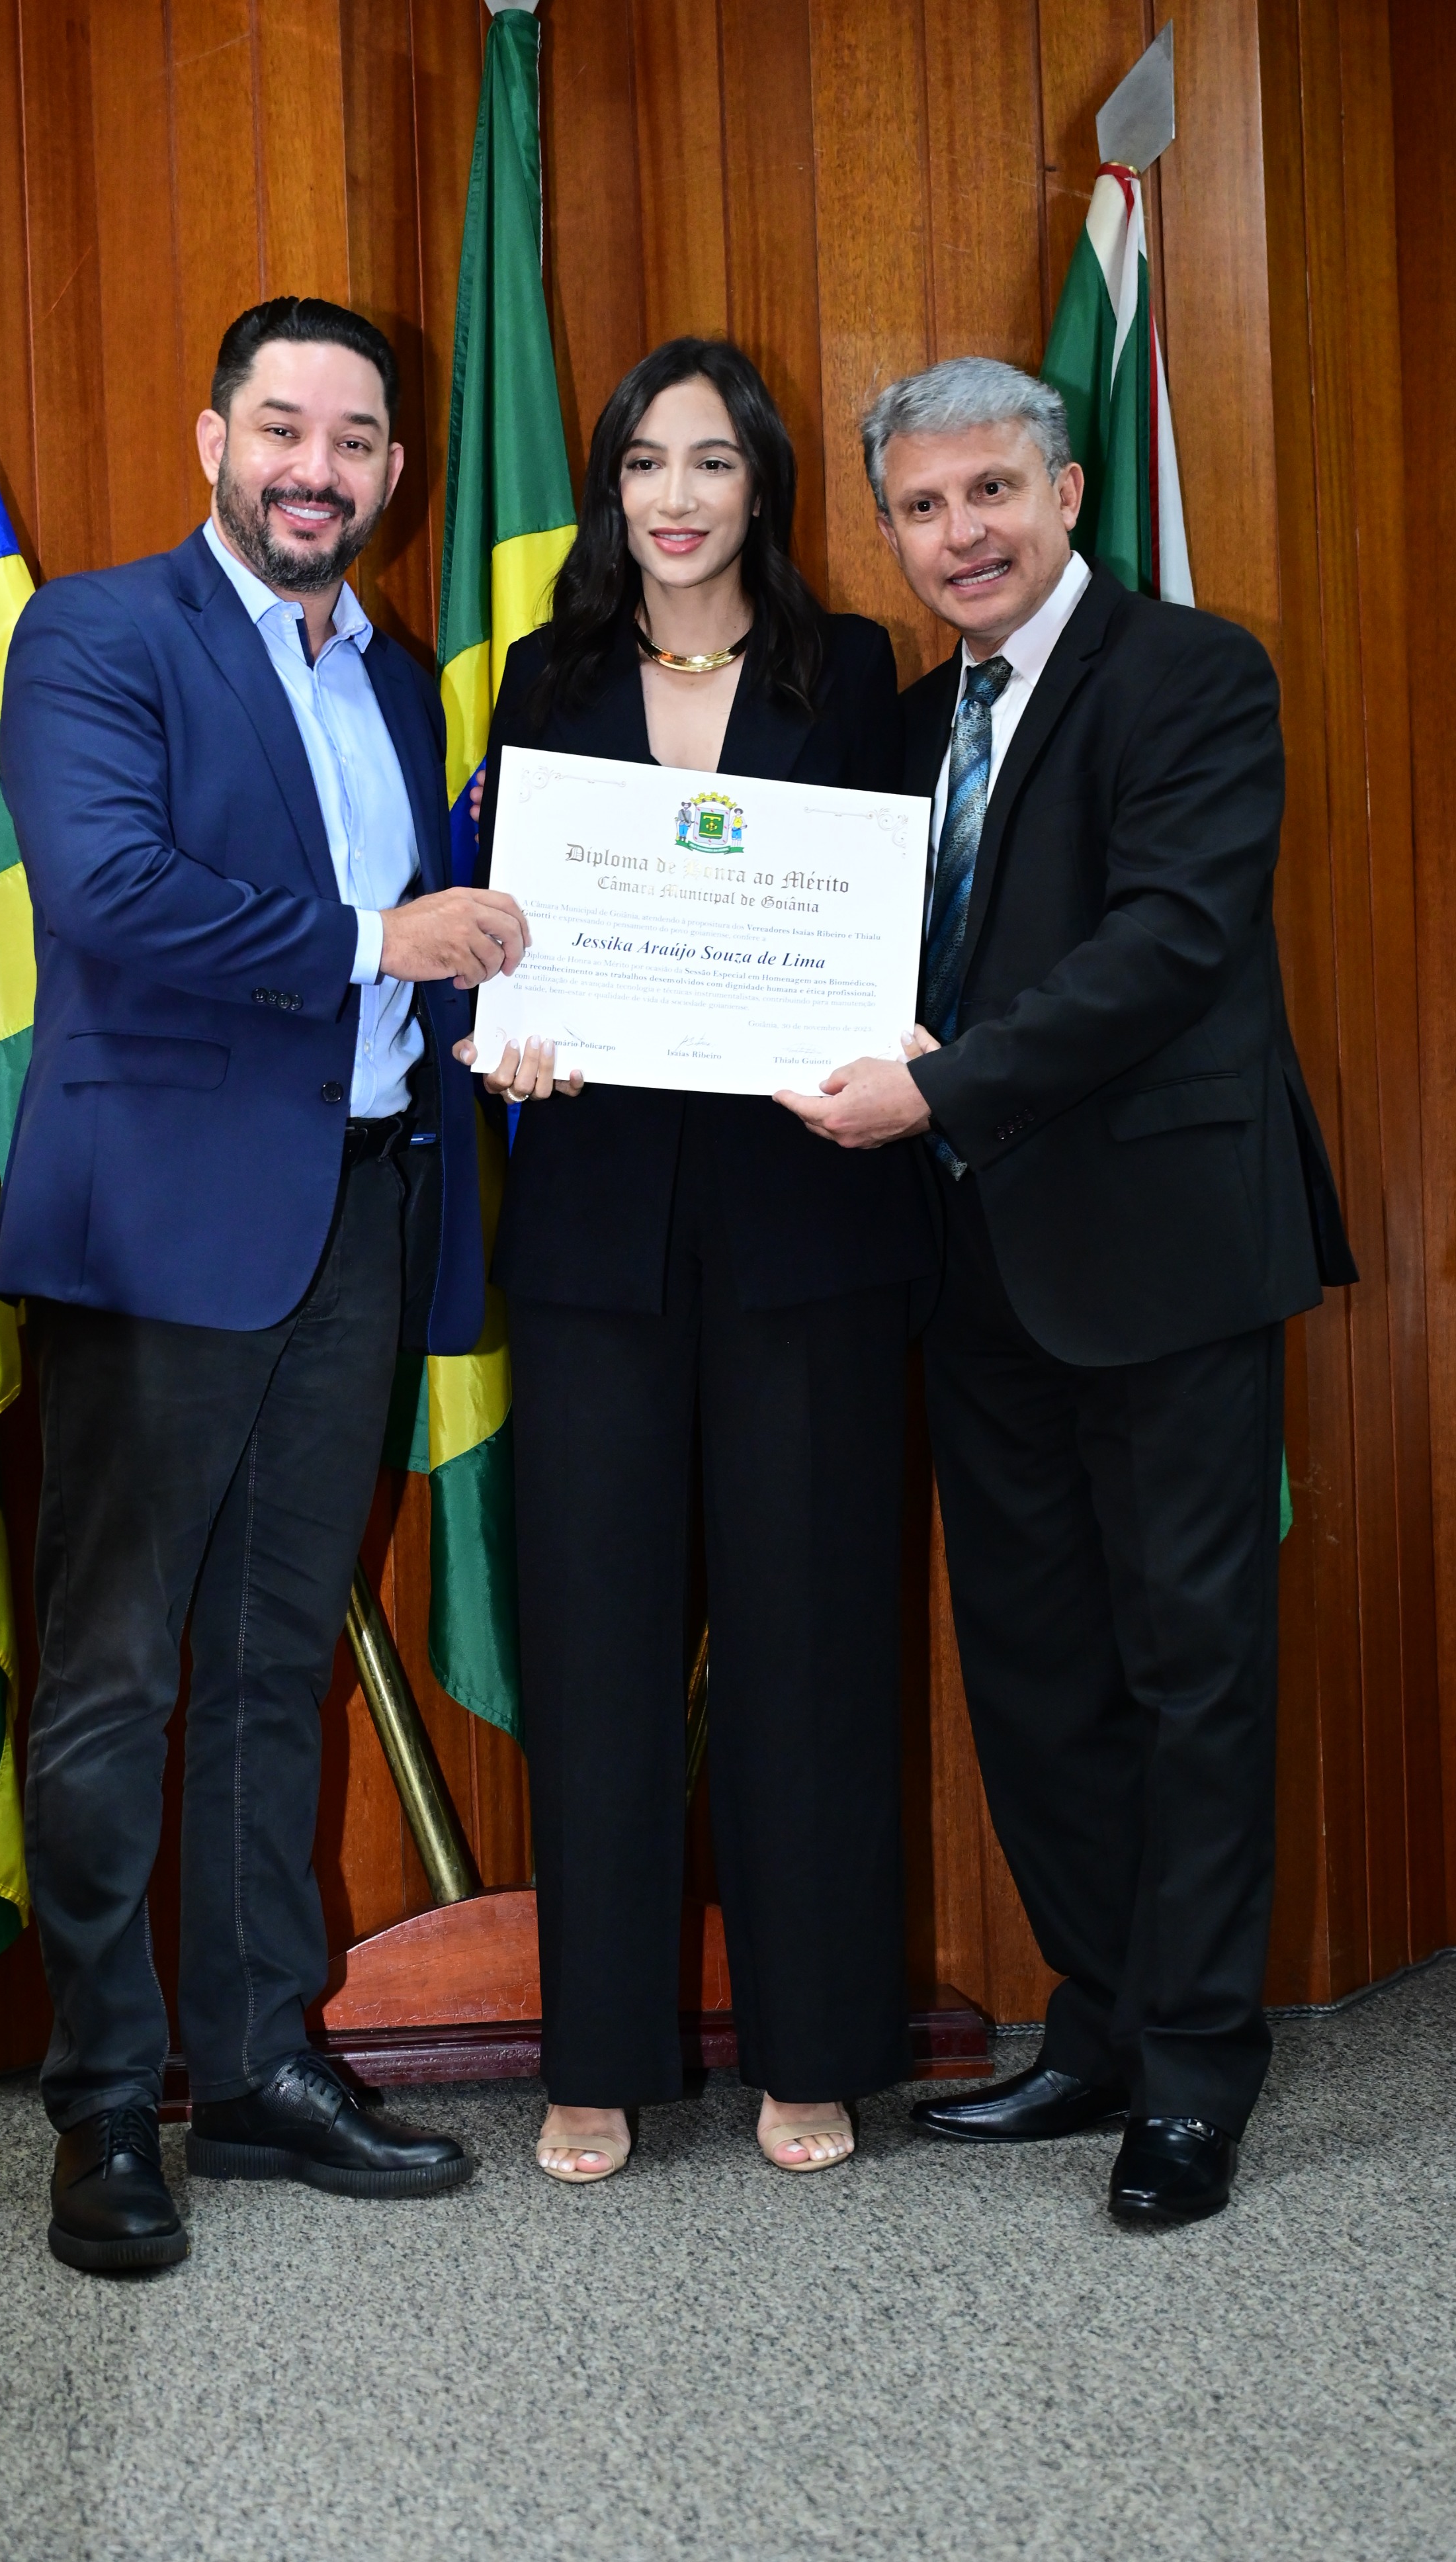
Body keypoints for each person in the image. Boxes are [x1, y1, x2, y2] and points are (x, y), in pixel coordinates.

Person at [781, 356, 1355, 2227]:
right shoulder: (908, 727)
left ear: (1067, 492)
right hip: (968, 1268)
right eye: (921, 508)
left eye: (990, 493)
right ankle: (1097, 2027)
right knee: (1034, 1676)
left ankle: (1192, 2076)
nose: (960, 535)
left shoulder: (1193, 676)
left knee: (1190, 1671)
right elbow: (833, 945)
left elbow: (1168, 943)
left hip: (1163, 1256)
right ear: (889, 529)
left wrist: (941, 1091)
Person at [0, 297, 533, 2272]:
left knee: (276, 1660)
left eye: (356, 439)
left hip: (358, 1218)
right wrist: (385, 937)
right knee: (117, 1675)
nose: (319, 468)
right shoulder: (97, 635)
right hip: (159, 1231)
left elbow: (436, 952)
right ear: (214, 437)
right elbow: (110, 893)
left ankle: (256, 2070)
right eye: (285, 428)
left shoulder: (393, 682)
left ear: (392, 469)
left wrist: (509, 1012)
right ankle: (102, 2104)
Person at [456, 337, 937, 2184]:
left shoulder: (851, 670)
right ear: (610, 483)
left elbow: (896, 929)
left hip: (811, 1221)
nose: (677, 496)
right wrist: (512, 1032)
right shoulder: (546, 675)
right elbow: (518, 932)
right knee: (597, 1646)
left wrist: (896, 1038)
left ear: (762, 487)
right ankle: (595, 2055)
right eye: (647, 460)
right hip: (597, 1226)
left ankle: (811, 2047)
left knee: (808, 1645)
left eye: (713, 461)